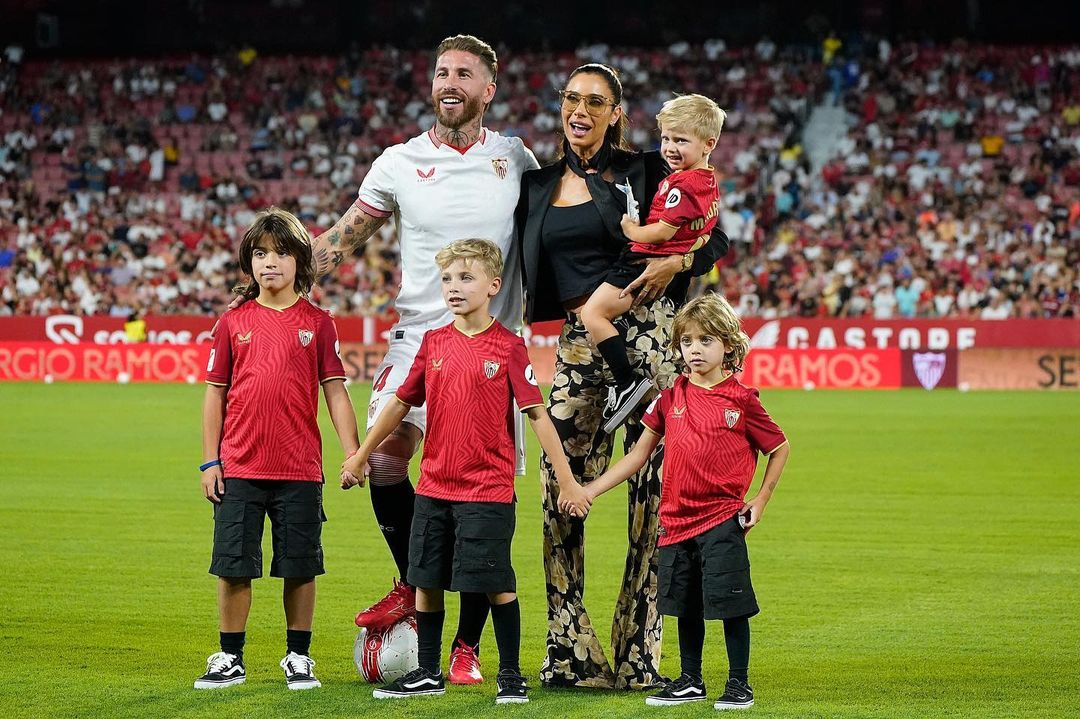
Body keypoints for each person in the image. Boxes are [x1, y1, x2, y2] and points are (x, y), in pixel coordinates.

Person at [303, 34, 555, 685]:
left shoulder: (515, 158)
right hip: (417, 340)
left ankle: (465, 648)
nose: (449, 81)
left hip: (490, 352)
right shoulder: (398, 161)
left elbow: (555, 230)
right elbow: (337, 241)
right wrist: (271, 281)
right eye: (441, 71)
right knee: (386, 458)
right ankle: (415, 577)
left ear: (487, 89)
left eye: (464, 73)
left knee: (478, 501)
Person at [516, 63, 730, 690]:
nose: (580, 109)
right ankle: (570, 653)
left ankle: (640, 657)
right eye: (571, 99)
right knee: (560, 494)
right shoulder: (536, 186)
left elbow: (714, 235)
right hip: (579, 349)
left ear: (616, 113)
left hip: (656, 337)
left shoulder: (647, 169)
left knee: (657, 503)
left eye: (596, 101)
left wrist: (682, 261)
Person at [341, 240, 579, 704]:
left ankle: (510, 675)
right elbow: (400, 404)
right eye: (447, 279)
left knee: (494, 583)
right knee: (425, 580)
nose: (453, 287)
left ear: (493, 286)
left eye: (465, 278)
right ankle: (427, 672)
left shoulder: (509, 347)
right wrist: (361, 453)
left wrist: (566, 479)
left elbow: (537, 415)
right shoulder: (433, 344)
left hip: (487, 490)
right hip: (434, 488)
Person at [579, 292, 789, 709]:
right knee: (685, 605)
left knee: (730, 604)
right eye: (688, 341)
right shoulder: (671, 396)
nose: (695, 350)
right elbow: (638, 455)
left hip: (723, 519)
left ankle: (739, 684)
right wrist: (591, 489)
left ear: (728, 344)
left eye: (705, 341)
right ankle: (690, 680)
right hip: (675, 521)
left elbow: (779, 447)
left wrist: (760, 500)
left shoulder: (743, 400)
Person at [195, 208, 359, 691]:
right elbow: (214, 393)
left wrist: (352, 450)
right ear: (249, 261)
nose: (271, 262)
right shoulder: (232, 323)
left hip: (299, 468)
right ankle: (230, 657)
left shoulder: (319, 322)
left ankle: (298, 656)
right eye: (261, 253)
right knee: (233, 564)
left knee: (300, 565)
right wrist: (210, 461)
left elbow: (335, 389)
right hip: (240, 467)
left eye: (282, 253)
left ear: (301, 260)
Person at [580, 93, 724, 431]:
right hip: (648, 268)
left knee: (593, 313)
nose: (670, 147)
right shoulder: (706, 181)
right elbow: (704, 230)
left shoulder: (679, 181)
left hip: (642, 266)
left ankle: (626, 381)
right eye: (666, 138)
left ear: (708, 143)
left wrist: (633, 228)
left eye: (680, 140)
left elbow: (661, 233)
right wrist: (694, 243)